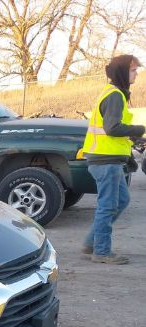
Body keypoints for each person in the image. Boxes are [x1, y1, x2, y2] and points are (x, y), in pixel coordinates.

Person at [81, 54, 145, 264]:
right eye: (133, 70)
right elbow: (112, 128)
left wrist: (133, 136)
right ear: (121, 71)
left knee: (122, 200)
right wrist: (140, 129)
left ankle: (92, 242)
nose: (136, 73)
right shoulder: (115, 95)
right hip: (105, 161)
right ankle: (101, 251)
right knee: (107, 206)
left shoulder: (114, 93)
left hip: (108, 159)